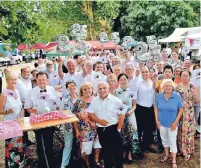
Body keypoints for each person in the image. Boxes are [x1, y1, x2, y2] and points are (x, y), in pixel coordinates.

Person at [24, 72, 60, 168]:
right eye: (39, 80)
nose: (42, 82)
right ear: (36, 81)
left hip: (51, 120)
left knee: (49, 142)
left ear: (47, 80)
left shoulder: (52, 89)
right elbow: (27, 107)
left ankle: (50, 162)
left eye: (43, 79)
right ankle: (43, 164)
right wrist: (32, 111)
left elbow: (57, 104)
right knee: (41, 144)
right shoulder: (32, 92)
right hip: (39, 122)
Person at [88, 82, 125, 168]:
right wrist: (99, 121)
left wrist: (118, 129)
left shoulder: (116, 100)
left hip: (113, 128)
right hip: (101, 130)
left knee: (117, 153)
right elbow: (90, 114)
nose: (102, 90)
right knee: (106, 152)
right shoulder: (94, 101)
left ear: (108, 89)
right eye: (100, 88)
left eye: (104, 88)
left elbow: (122, 115)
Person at [71, 82, 102, 168]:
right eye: (85, 89)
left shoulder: (97, 100)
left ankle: (96, 161)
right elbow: (73, 118)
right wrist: (77, 131)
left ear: (92, 90)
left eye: (89, 88)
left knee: (98, 145)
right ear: (81, 91)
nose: (87, 90)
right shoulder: (78, 102)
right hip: (84, 129)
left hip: (98, 127)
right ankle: (87, 163)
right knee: (86, 147)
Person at [154, 79, 183, 168]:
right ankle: (167, 154)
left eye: (169, 86)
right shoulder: (159, 96)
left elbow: (181, 109)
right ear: (162, 87)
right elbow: (156, 108)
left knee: (172, 141)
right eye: (166, 86)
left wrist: (175, 122)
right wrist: (157, 121)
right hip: (162, 123)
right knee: (164, 139)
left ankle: (173, 159)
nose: (168, 87)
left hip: (172, 124)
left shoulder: (177, 96)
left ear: (172, 87)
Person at [0, 72, 25, 167]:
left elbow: (19, 106)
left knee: (19, 147)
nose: (14, 81)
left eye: (15, 79)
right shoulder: (3, 94)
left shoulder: (17, 91)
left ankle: (20, 165)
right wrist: (7, 111)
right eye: (11, 80)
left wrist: (21, 114)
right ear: (7, 81)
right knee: (11, 148)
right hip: (9, 125)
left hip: (18, 123)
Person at [115, 73, 140, 163]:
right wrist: (122, 112)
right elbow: (115, 105)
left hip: (130, 115)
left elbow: (134, 105)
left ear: (127, 80)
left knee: (131, 134)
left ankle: (129, 155)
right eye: (121, 79)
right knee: (122, 135)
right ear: (118, 81)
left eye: (125, 79)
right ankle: (122, 154)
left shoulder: (131, 91)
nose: (123, 81)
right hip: (120, 116)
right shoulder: (116, 92)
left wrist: (130, 111)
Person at [175, 70, 199, 161]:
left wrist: (195, 96)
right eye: (182, 76)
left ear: (189, 76)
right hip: (180, 112)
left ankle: (187, 150)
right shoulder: (177, 87)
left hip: (189, 111)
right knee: (180, 130)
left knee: (188, 131)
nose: (184, 77)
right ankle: (180, 149)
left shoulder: (194, 87)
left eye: (186, 76)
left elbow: (196, 102)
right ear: (180, 77)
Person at [135, 67, 157, 153]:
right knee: (140, 128)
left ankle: (146, 145)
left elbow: (154, 89)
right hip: (141, 108)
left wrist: (155, 79)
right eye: (143, 72)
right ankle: (139, 146)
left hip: (150, 108)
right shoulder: (139, 82)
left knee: (148, 128)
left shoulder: (151, 82)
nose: (145, 73)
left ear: (149, 73)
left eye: (146, 72)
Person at [60, 81, 78, 168]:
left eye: (73, 86)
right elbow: (62, 112)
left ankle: (81, 161)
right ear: (67, 89)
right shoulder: (65, 99)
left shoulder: (81, 97)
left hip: (81, 125)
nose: (72, 88)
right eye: (70, 87)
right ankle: (64, 164)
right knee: (68, 144)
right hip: (69, 126)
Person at [16, 67, 34, 146]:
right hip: (22, 105)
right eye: (25, 72)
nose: (27, 73)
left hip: (29, 105)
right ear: (21, 73)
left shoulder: (30, 81)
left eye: (28, 72)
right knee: (23, 123)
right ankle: (24, 141)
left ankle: (27, 139)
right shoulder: (18, 82)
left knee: (30, 121)